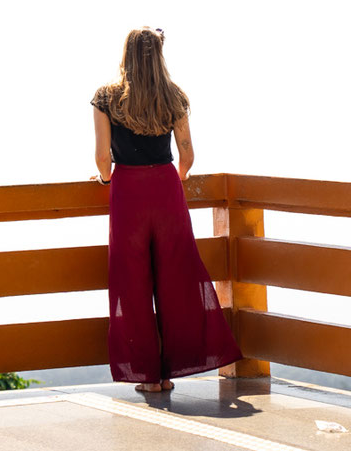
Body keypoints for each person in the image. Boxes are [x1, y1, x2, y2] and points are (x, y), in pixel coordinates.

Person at [91, 26, 242, 393]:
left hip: (127, 192)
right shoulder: (174, 97)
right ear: (159, 56)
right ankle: (175, 368)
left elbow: (102, 159)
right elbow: (187, 156)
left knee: (133, 281)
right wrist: (177, 176)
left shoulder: (106, 98)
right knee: (177, 277)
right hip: (167, 191)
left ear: (126, 55)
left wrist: (105, 178)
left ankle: (148, 376)